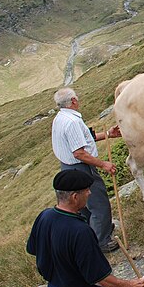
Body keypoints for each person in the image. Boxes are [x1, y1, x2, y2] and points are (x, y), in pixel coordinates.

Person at [27, 170, 144, 287]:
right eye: (86, 190)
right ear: (74, 197)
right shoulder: (80, 231)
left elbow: (33, 249)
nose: (90, 193)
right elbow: (99, 278)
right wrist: (130, 286)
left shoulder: (44, 216)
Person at [51, 87, 121, 253]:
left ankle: (91, 236)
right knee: (98, 204)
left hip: (67, 168)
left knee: (82, 207)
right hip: (81, 168)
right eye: (77, 98)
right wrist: (103, 164)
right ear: (73, 101)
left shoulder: (60, 118)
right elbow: (79, 152)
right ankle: (101, 242)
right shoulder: (73, 121)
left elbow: (83, 140)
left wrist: (108, 134)